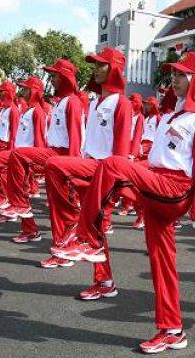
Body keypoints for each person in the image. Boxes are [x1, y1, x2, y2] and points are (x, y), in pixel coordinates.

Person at [54, 51, 195, 354]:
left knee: (113, 165)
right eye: (174, 74)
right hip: (155, 185)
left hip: (174, 189)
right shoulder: (170, 115)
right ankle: (172, 329)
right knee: (161, 262)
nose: (175, 80)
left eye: (182, 75)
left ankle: (88, 238)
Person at [38, 46, 132, 275]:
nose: (96, 69)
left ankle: (70, 227)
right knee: (94, 234)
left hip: (104, 171)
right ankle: (104, 282)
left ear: (115, 69)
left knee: (54, 166)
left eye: (102, 64)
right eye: (95, 65)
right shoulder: (97, 102)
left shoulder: (122, 104)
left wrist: (112, 190)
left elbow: (120, 153)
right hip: (88, 165)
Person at [0, 59, 85, 245]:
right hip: (51, 153)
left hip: (63, 158)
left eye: (54, 76)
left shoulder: (73, 102)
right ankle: (31, 224)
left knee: (62, 207)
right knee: (55, 204)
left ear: (65, 78)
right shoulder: (60, 103)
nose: (51, 79)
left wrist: (71, 168)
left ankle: (66, 246)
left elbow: (76, 138)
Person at [0, 76, 47, 212]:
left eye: (26, 90)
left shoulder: (36, 112)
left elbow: (39, 139)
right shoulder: (26, 110)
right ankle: (24, 222)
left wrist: (37, 163)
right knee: (13, 181)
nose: (23, 92)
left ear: (34, 92)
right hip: (17, 152)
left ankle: (3, 199)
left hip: (26, 154)